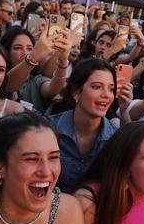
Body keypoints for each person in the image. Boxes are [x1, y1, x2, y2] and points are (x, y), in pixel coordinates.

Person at [49, 58, 126, 193]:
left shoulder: (116, 139)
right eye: (96, 87)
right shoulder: (48, 130)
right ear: (76, 92)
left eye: (111, 89)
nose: (106, 95)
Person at [2, 26, 70, 113]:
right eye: (18, 48)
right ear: (7, 51)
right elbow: (6, 85)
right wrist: (32, 58)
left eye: (30, 49)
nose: (25, 53)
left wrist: (63, 60)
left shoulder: (35, 80)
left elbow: (53, 89)